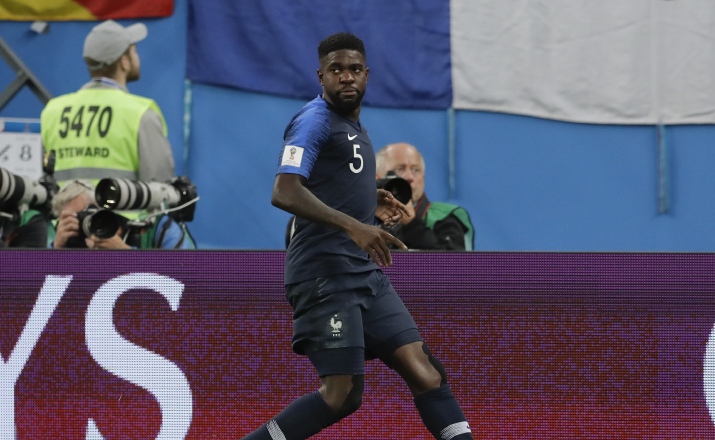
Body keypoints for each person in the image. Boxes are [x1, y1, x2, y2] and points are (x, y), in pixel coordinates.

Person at [241, 33, 473, 440]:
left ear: (366, 75)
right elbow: (285, 190)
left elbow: (332, 180)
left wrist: (370, 195)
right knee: (341, 395)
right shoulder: (313, 121)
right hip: (324, 275)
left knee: (427, 373)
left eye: (353, 69)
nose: (346, 77)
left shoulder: (354, 126)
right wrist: (354, 225)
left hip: (364, 275)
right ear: (321, 76)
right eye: (336, 70)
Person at [40, 19, 174, 187]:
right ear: (124, 62)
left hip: (66, 214)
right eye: (134, 51)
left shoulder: (53, 111)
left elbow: (47, 181)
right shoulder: (140, 113)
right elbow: (159, 188)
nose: (137, 57)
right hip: (124, 214)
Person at [376, 142, 475, 251]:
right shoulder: (363, 215)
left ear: (423, 178)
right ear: (377, 177)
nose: (409, 177)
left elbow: (453, 265)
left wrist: (411, 224)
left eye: (415, 170)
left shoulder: (447, 216)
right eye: (400, 169)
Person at [50, 180, 195, 249]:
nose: (88, 225)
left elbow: (188, 277)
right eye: (75, 220)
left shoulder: (157, 229)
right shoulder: (67, 242)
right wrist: (56, 249)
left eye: (90, 214)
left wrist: (124, 254)